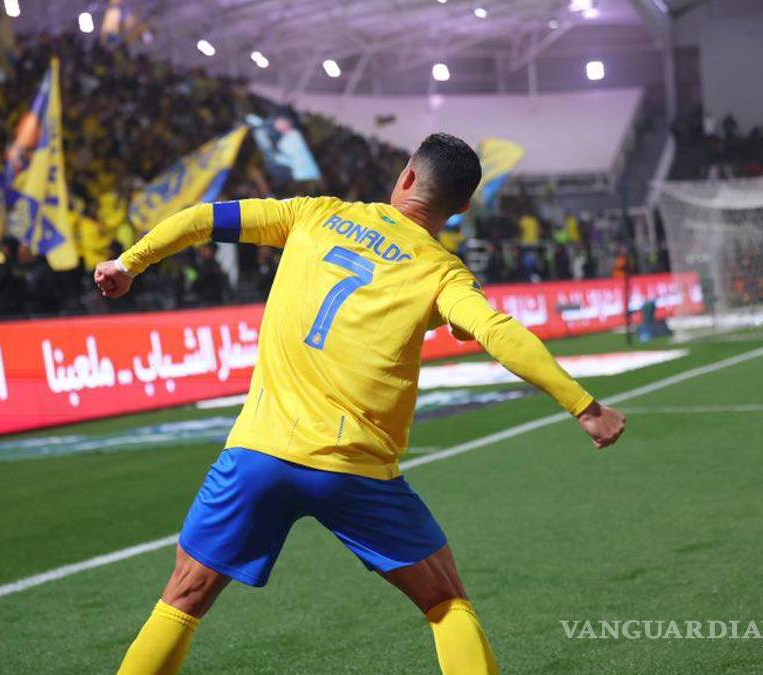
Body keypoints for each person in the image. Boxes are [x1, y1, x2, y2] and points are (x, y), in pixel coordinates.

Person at [95, 133, 626, 675]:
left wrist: (130, 264)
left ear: (407, 176)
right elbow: (497, 332)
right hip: (354, 468)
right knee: (445, 602)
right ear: (462, 208)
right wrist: (584, 408)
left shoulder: (313, 213)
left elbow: (205, 219)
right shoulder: (442, 273)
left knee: (182, 598)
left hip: (259, 453)